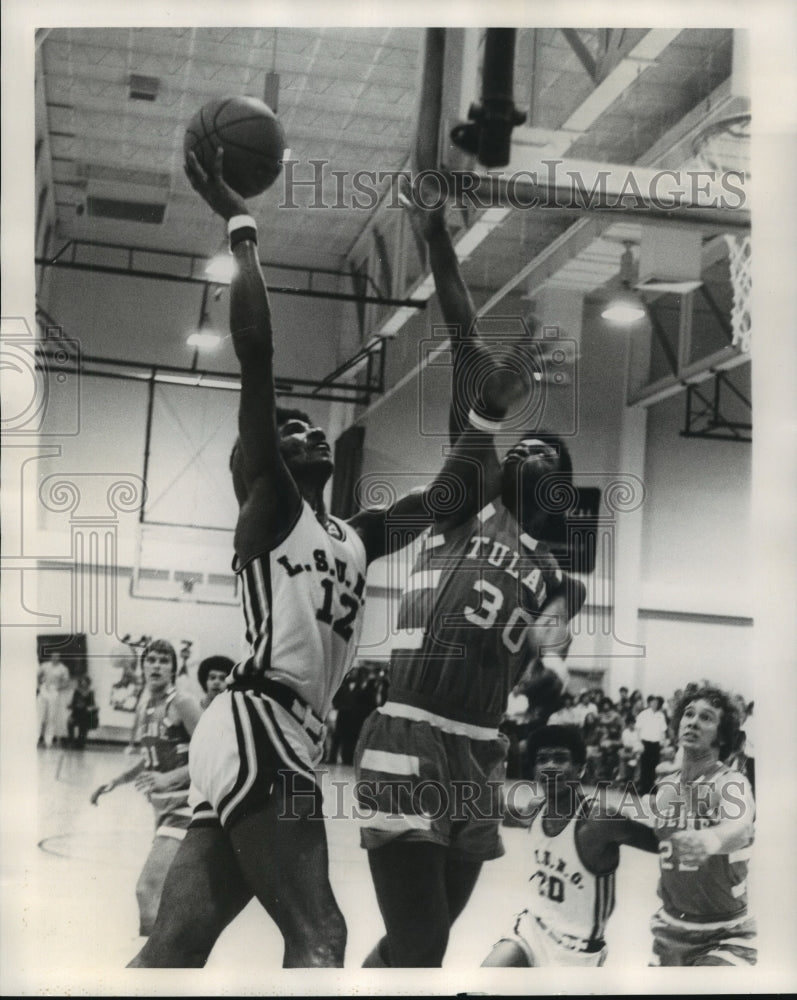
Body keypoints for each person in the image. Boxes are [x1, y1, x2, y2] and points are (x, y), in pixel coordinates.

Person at [130, 146, 520, 969]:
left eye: (312, 426)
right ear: (267, 458)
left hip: (278, 731)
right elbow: (260, 358)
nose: (304, 429)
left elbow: (455, 491)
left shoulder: (355, 533)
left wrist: (483, 418)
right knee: (322, 938)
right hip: (261, 717)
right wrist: (243, 231)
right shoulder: (270, 510)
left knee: (179, 944)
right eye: (291, 427)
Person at [354, 182, 586, 967]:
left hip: (480, 748)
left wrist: (548, 671)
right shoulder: (466, 499)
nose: (528, 450)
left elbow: (545, 656)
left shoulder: (559, 576)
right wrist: (433, 237)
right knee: (420, 938)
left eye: (545, 455)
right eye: (523, 443)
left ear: (558, 493)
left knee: (424, 942)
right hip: (411, 729)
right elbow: (465, 346)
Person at [481, 725, 657, 967]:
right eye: (542, 759)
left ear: (581, 769)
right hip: (532, 930)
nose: (550, 766)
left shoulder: (600, 820)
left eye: (561, 759)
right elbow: (497, 812)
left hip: (579, 951)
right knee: (481, 983)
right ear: (534, 770)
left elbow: (661, 842)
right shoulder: (535, 809)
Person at [90, 639, 202, 936]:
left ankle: (150, 963)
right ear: (143, 667)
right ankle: (165, 959)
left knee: (146, 890)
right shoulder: (145, 706)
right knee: (167, 892)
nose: (156, 665)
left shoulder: (183, 702)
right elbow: (148, 759)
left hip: (187, 805)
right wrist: (115, 781)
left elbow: (211, 753)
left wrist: (169, 778)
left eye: (164, 661)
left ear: (173, 669)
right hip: (162, 807)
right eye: (151, 659)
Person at [646, 685, 756, 966]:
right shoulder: (664, 788)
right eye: (688, 714)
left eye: (706, 717)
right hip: (670, 930)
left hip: (724, 934)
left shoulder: (730, 783)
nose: (693, 721)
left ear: (722, 734)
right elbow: (657, 839)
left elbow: (740, 826)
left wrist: (711, 839)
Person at [37, 651, 72, 748]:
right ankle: (37, 737)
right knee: (40, 714)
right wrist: (40, 685)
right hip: (44, 690)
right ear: (51, 657)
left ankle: (48, 739)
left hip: (54, 692)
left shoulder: (63, 669)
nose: (55, 658)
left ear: (59, 658)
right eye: (53, 656)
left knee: (51, 716)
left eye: (57, 656)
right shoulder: (45, 665)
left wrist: (57, 687)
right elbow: (38, 675)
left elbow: (66, 682)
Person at [635, 695, 668, 794]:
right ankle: (642, 789)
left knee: (654, 767)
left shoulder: (661, 715)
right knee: (645, 767)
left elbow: (663, 731)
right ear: (649, 703)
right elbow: (638, 730)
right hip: (645, 743)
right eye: (653, 702)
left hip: (656, 745)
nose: (655, 704)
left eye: (656, 703)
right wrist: (639, 743)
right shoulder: (643, 714)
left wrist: (663, 742)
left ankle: (651, 790)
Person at [67, 673, 97, 749]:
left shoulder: (90, 692)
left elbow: (92, 704)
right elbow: (72, 703)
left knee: (83, 725)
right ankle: (71, 741)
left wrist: (89, 707)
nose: (83, 683)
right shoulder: (76, 691)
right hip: (76, 713)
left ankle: (81, 742)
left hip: (85, 714)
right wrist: (71, 706)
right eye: (82, 681)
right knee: (69, 723)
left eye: (85, 681)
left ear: (88, 682)